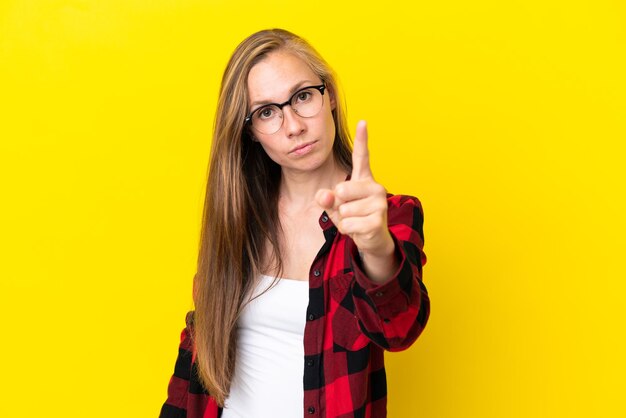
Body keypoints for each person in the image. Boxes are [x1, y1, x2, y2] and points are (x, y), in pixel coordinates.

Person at [159, 28, 430, 418]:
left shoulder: (389, 215)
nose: (293, 126)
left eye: (303, 97)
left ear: (330, 96)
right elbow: (196, 358)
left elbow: (399, 330)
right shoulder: (239, 219)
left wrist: (375, 246)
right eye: (267, 112)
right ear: (249, 131)